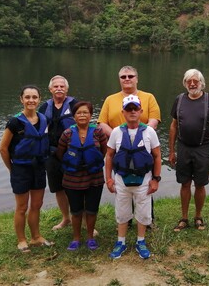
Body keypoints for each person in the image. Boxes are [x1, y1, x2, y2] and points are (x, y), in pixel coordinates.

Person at [98, 65, 161, 227]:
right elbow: (101, 122)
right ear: (119, 79)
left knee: (144, 183)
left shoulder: (148, 97)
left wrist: (141, 134)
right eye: (123, 77)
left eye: (130, 76)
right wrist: (118, 137)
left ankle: (147, 219)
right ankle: (126, 220)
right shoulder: (110, 99)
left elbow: (154, 120)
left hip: (142, 147)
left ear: (137, 79)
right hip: (118, 148)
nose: (127, 79)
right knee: (123, 183)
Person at [104, 95, 162, 259]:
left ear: (141, 111)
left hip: (144, 179)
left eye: (135, 108)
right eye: (128, 109)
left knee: (143, 211)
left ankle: (140, 241)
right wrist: (108, 178)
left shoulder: (149, 132)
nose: (132, 112)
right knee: (122, 211)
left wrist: (156, 179)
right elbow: (109, 156)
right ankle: (120, 242)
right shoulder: (116, 132)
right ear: (123, 112)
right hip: (121, 179)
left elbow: (157, 156)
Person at [0, 85, 54, 253]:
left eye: (34, 97)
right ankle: (22, 240)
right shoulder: (14, 122)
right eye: (27, 97)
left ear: (39, 99)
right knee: (22, 207)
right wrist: (12, 169)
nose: (31, 100)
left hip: (38, 167)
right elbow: (3, 148)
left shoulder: (44, 119)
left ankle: (36, 237)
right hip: (21, 169)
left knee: (37, 204)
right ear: (21, 99)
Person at [169, 69, 209, 232]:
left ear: (201, 83)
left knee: (200, 184)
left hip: (203, 148)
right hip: (183, 147)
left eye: (195, 81)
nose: (192, 84)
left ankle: (198, 216)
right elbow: (173, 126)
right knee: (184, 183)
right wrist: (171, 151)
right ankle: (184, 218)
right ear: (185, 83)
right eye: (188, 81)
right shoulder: (179, 99)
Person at [55, 101, 107, 251]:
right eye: (79, 113)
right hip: (72, 178)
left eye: (85, 112)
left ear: (91, 115)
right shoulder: (67, 133)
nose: (82, 115)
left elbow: (104, 151)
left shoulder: (98, 132)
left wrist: (92, 162)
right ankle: (76, 238)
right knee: (76, 211)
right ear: (74, 116)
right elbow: (60, 153)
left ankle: (90, 237)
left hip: (94, 177)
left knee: (91, 209)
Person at [38, 75, 78, 231]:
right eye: (56, 86)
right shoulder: (43, 108)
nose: (59, 89)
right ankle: (66, 218)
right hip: (51, 153)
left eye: (62, 86)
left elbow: (84, 126)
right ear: (50, 89)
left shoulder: (75, 105)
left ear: (67, 89)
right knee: (58, 188)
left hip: (71, 153)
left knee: (75, 187)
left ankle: (80, 220)